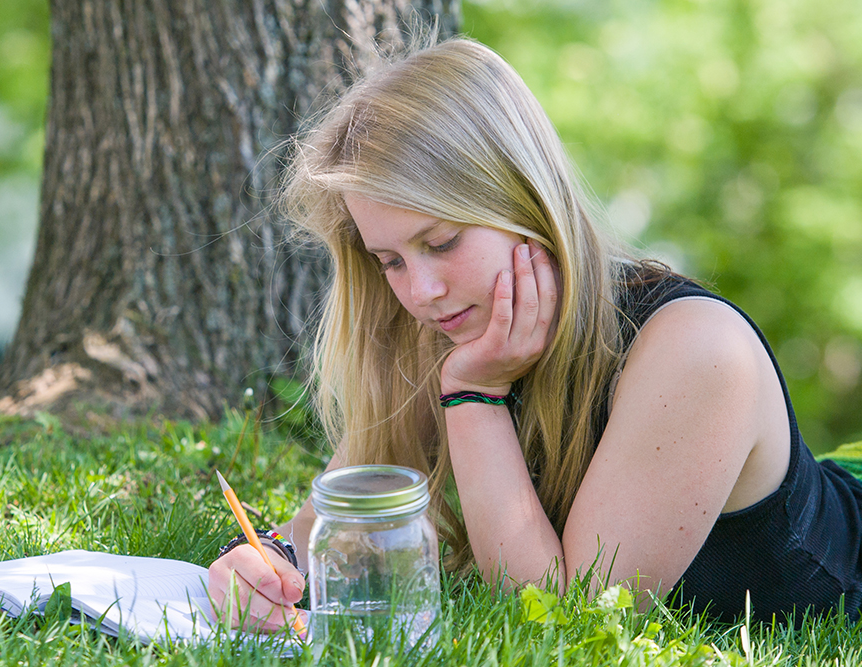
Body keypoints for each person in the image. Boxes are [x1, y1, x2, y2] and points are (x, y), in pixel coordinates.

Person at [206, 36, 862, 632]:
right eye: (391, 260)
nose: (420, 290)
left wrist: (474, 396)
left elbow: (564, 620)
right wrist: (264, 563)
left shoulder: (699, 351)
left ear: (524, 201)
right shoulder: (450, 318)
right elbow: (323, 529)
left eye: (442, 241)